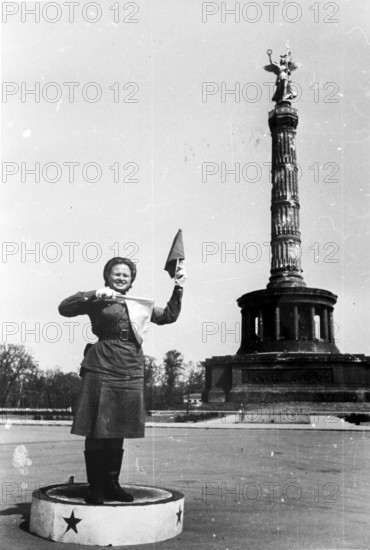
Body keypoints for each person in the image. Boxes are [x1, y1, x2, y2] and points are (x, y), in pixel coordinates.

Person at [58, 257, 186, 505]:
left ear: (131, 280)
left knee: (118, 426)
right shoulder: (98, 300)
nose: (121, 278)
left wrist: (178, 286)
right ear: (107, 276)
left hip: (130, 368)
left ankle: (112, 485)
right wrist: (94, 293)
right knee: (97, 427)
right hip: (101, 366)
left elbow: (169, 315)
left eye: (126, 275)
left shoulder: (140, 306)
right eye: (116, 274)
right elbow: (64, 308)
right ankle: (95, 487)